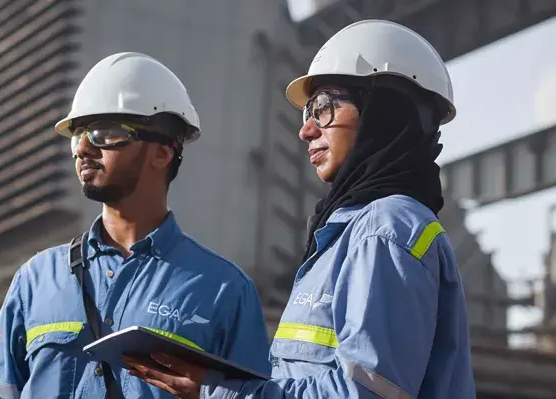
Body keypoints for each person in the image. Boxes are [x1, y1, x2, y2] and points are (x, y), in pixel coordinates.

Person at [124, 19, 476, 399]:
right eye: (307, 112)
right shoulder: (348, 234)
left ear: (383, 111)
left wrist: (219, 393)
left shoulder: (386, 231)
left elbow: (364, 395)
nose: (306, 130)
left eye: (323, 108)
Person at [0, 52, 272, 399]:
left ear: (163, 153)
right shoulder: (37, 279)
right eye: (77, 135)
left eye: (103, 133)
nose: (82, 149)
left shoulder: (223, 290)